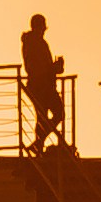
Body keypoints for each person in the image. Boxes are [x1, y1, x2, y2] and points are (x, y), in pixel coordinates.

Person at [19, 12, 66, 154]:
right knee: (59, 113)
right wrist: (56, 67)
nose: (45, 30)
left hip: (36, 85)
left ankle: (38, 146)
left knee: (41, 117)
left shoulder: (29, 42)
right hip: (42, 85)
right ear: (40, 27)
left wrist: (54, 68)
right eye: (43, 27)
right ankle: (39, 143)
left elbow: (38, 66)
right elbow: (40, 68)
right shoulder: (37, 42)